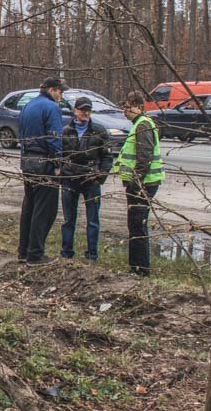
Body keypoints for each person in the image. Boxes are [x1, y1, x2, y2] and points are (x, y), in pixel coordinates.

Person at [114, 91, 164, 276]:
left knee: (138, 224)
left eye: (128, 107)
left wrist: (136, 182)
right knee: (134, 224)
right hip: (141, 183)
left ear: (140, 107)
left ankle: (141, 269)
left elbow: (145, 157)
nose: (125, 112)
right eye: (124, 108)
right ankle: (135, 266)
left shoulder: (143, 125)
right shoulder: (139, 124)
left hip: (144, 184)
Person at [17, 77, 66, 264]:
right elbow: (54, 137)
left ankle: (23, 251)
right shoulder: (52, 108)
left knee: (29, 206)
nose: (61, 96)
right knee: (44, 209)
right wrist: (57, 164)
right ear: (53, 89)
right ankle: (35, 254)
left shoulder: (28, 105)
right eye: (60, 92)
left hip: (28, 161)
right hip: (44, 162)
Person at [59, 97, 113, 261]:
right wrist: (62, 173)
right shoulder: (66, 130)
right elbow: (58, 155)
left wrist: (100, 177)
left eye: (88, 110)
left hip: (91, 180)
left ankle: (92, 254)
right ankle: (66, 252)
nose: (86, 113)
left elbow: (107, 157)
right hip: (70, 178)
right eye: (82, 110)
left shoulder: (99, 130)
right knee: (68, 219)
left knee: (93, 220)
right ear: (75, 111)